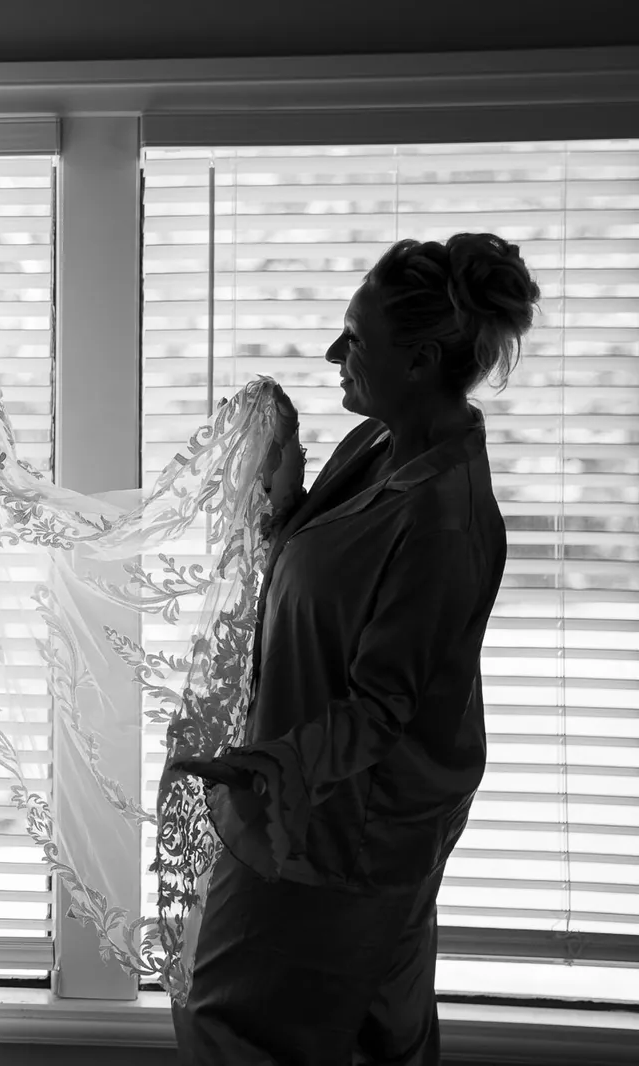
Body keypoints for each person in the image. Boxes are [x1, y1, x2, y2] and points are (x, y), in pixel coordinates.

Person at [171, 232, 540, 1065]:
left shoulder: (443, 520)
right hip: (325, 811)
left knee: (232, 1026)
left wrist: (262, 771)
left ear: (419, 361)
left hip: (341, 831)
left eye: (357, 340)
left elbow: (382, 709)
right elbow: (332, 577)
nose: (335, 353)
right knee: (374, 1042)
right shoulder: (380, 447)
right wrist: (288, 495)